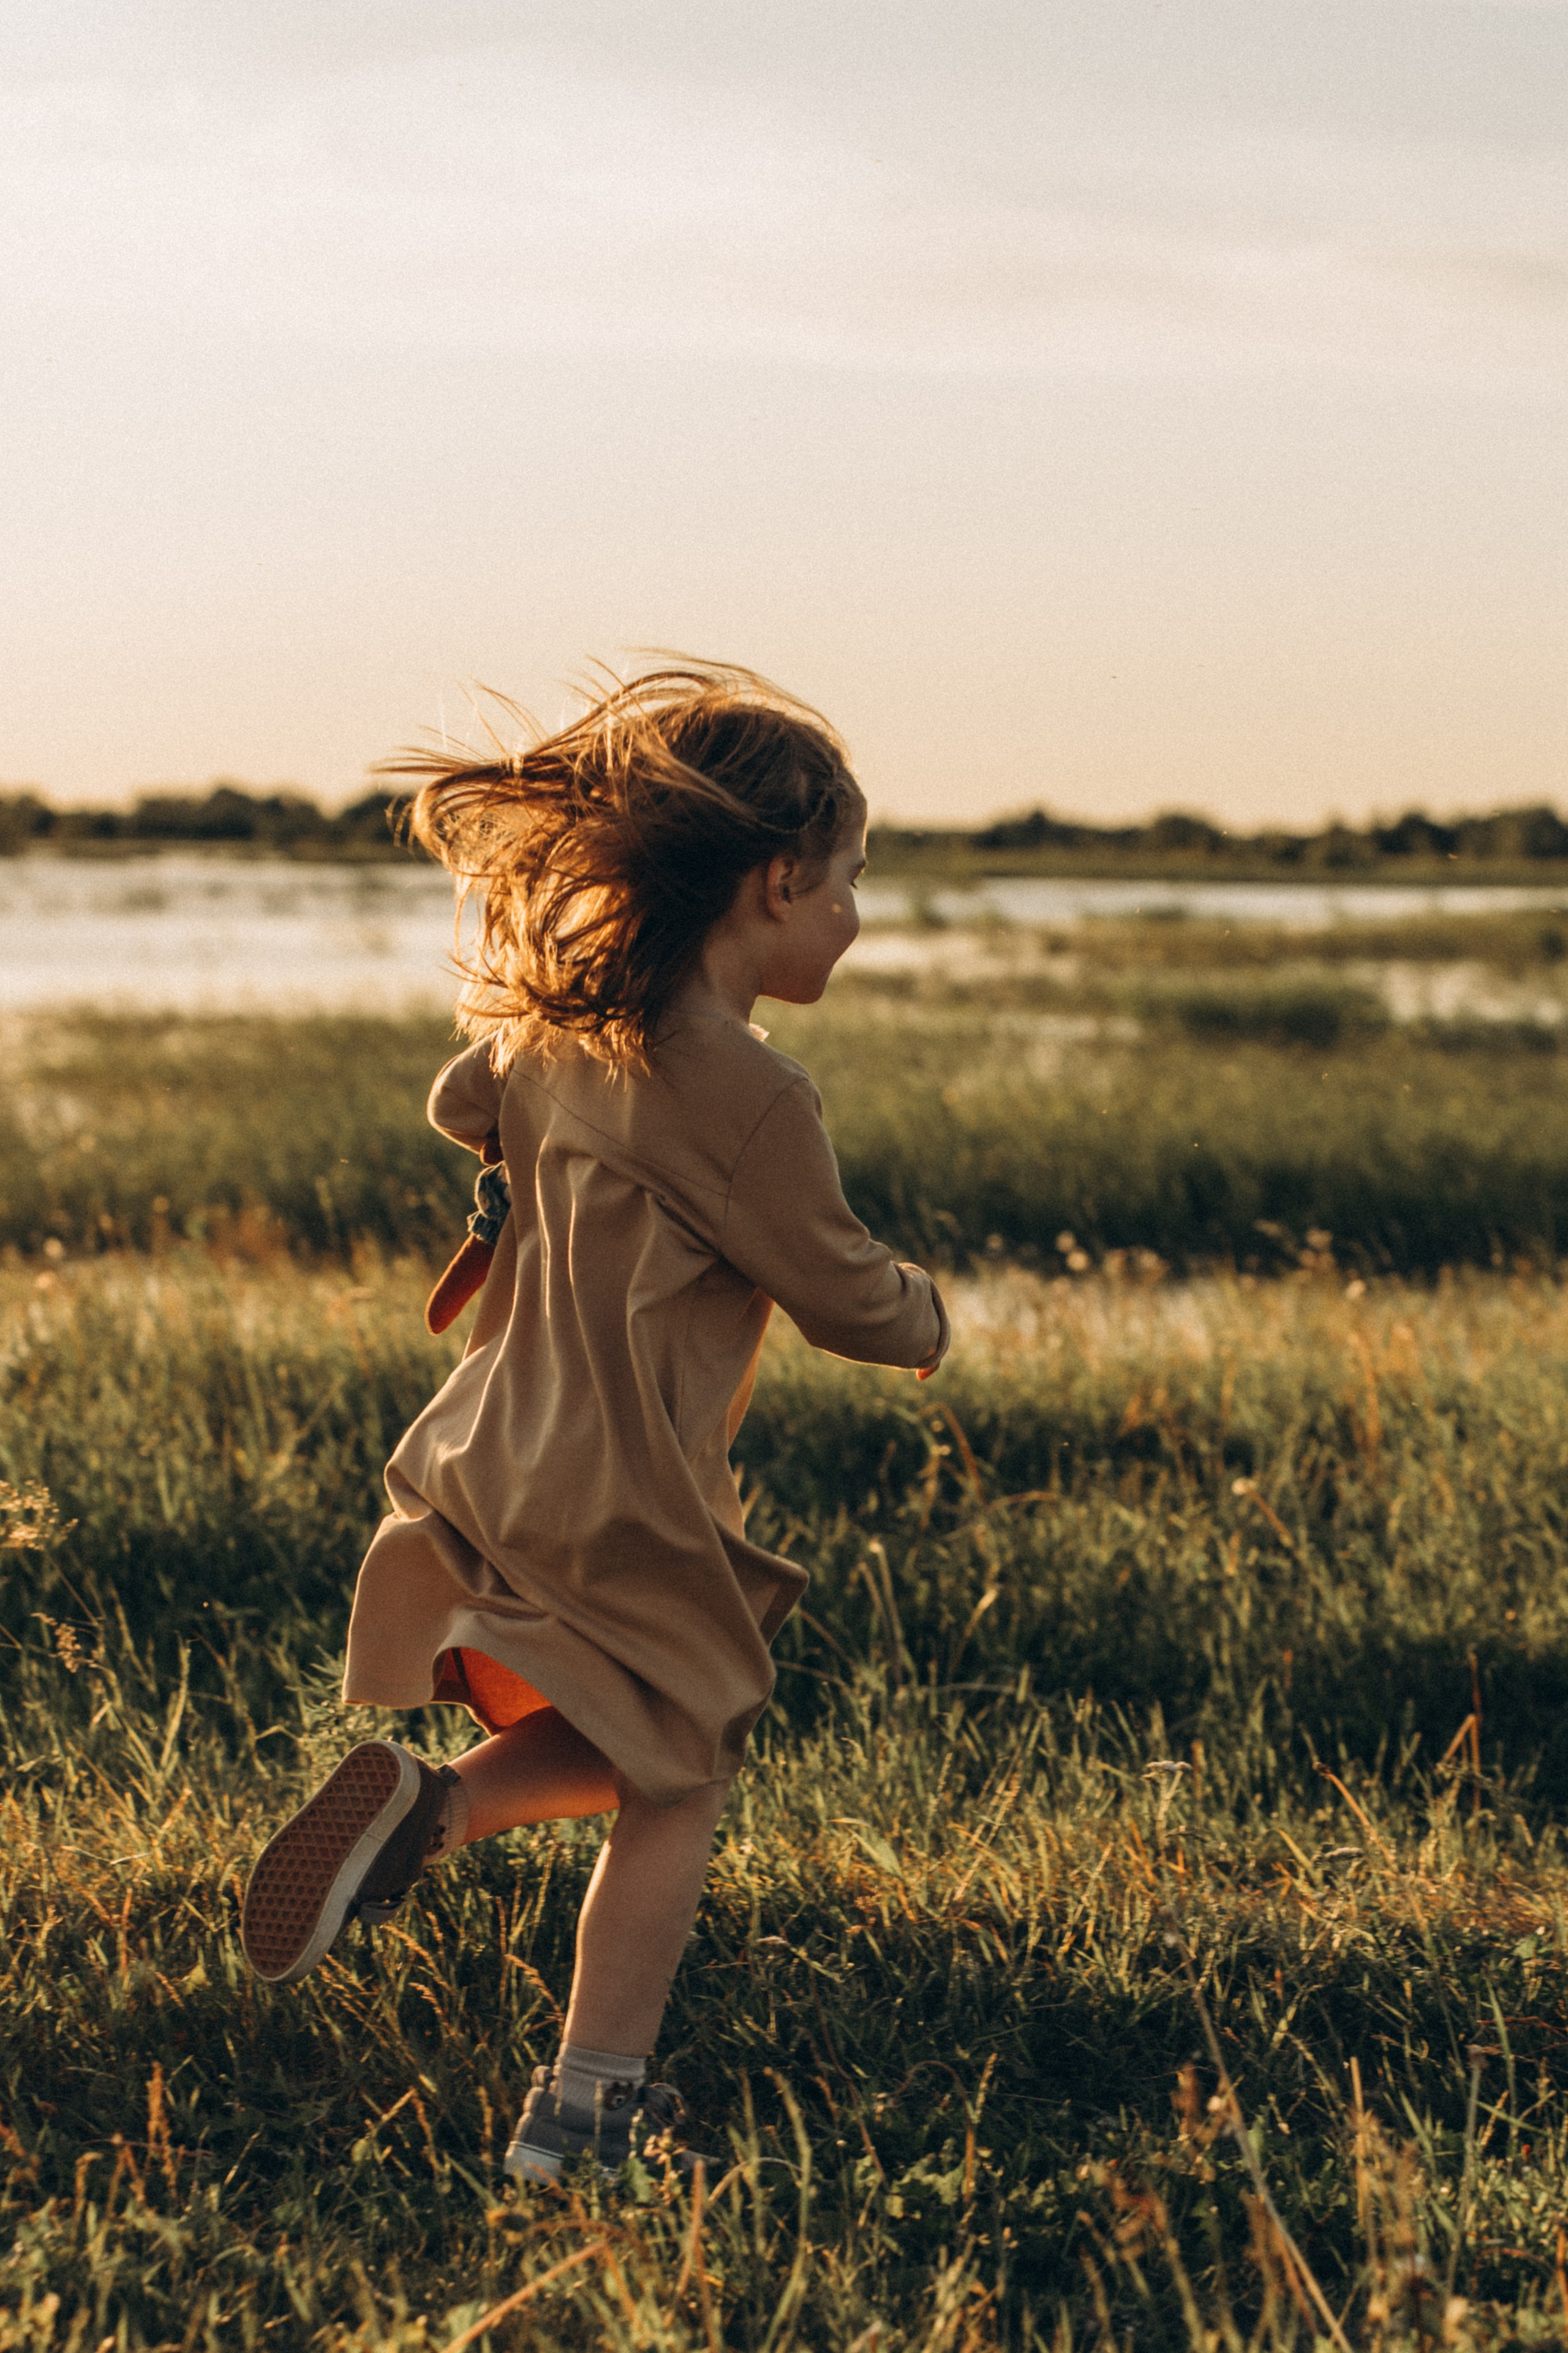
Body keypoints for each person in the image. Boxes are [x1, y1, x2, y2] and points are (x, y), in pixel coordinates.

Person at [240, 662, 948, 2181]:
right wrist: (925, 1314)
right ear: (774, 885)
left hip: (485, 1450)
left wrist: (524, 1136)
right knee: (680, 1780)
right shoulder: (750, 1092)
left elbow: (458, 1100)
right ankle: (587, 2117)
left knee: (631, 1735)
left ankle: (428, 1812)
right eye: (849, 883)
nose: (855, 915)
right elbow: (841, 1296)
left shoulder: (561, 1033)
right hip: (623, 1486)